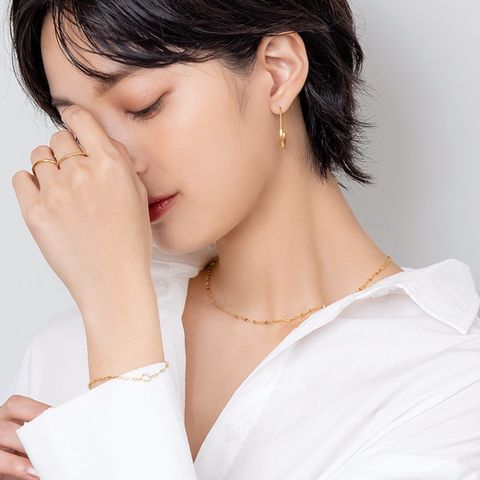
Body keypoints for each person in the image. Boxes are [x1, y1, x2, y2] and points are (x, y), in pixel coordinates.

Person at [1, 1, 479, 479]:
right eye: (78, 128)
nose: (116, 165)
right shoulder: (65, 348)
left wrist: (118, 320)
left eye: (144, 105)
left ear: (277, 72)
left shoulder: (450, 379)